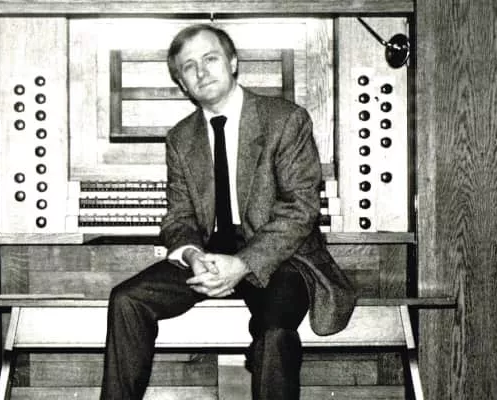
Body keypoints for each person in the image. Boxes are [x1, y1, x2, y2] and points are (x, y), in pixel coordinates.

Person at [101, 24, 355, 400]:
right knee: (127, 300)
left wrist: (244, 263)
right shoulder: (180, 138)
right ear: (182, 83)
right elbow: (179, 217)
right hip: (210, 255)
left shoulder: (285, 119)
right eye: (189, 67)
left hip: (281, 257)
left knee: (274, 331)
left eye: (210, 58)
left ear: (233, 62)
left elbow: (301, 208)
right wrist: (192, 255)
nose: (201, 72)